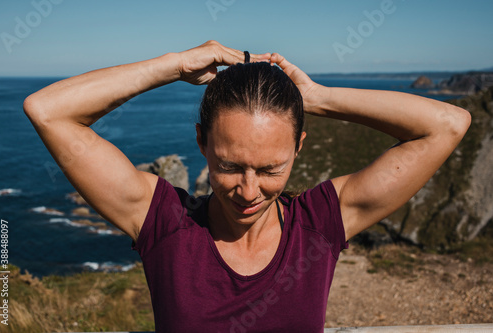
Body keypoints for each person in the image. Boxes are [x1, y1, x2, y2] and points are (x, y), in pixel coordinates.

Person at [24, 40, 470, 332]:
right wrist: (174, 65)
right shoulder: (164, 223)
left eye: (271, 168)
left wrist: (317, 97)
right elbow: (48, 110)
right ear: (201, 141)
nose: (249, 190)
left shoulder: (320, 225)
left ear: (299, 148)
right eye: (230, 165)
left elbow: (448, 125)